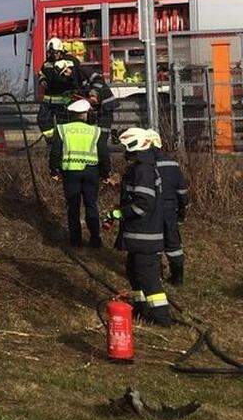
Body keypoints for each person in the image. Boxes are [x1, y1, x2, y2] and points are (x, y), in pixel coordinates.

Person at [107, 128, 172, 325]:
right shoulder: (140, 168)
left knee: (148, 278)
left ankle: (161, 318)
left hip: (145, 235)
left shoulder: (143, 170)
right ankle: (141, 310)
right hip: (138, 236)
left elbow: (143, 203)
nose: (126, 152)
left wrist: (120, 213)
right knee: (134, 273)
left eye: (128, 148)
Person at [47, 99, 110, 247]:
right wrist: (105, 173)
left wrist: (53, 170)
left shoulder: (62, 129)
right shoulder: (96, 131)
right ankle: (95, 239)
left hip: (70, 173)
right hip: (91, 172)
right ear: (86, 114)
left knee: (73, 207)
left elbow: (55, 152)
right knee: (91, 205)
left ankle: (75, 242)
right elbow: (104, 154)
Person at [146, 130, 189, 285]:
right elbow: (182, 191)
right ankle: (178, 276)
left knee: (153, 242)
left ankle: (156, 274)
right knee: (173, 243)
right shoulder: (172, 164)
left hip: (151, 209)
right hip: (170, 209)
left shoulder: (144, 165)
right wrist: (182, 210)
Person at [37, 38, 86, 133]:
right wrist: (42, 79)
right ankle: (51, 140)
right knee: (43, 121)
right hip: (49, 100)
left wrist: (70, 76)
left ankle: (62, 143)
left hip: (66, 100)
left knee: (64, 124)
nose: (53, 55)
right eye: (50, 53)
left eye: (55, 52)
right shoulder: (47, 63)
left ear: (61, 51)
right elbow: (41, 73)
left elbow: (79, 77)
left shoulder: (71, 61)